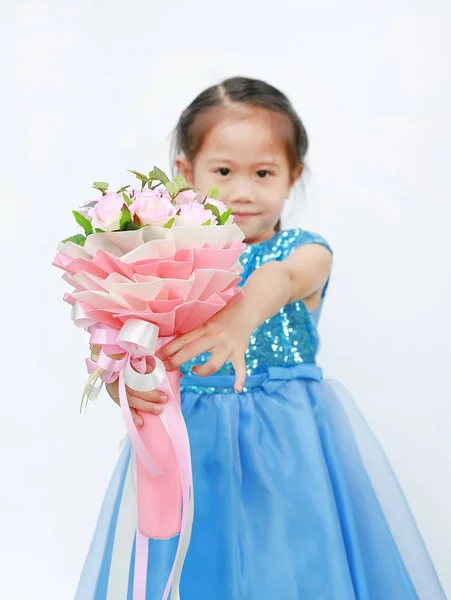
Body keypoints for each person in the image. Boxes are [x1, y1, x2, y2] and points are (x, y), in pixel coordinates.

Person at [75, 77, 446, 599]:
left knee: (289, 565)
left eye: (264, 173)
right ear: (186, 172)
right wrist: (128, 386)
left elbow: (284, 279)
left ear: (293, 176)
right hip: (191, 446)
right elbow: (133, 353)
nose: (243, 191)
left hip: (288, 447)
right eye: (223, 171)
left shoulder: (304, 251)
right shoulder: (168, 265)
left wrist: (238, 318)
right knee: (192, 566)